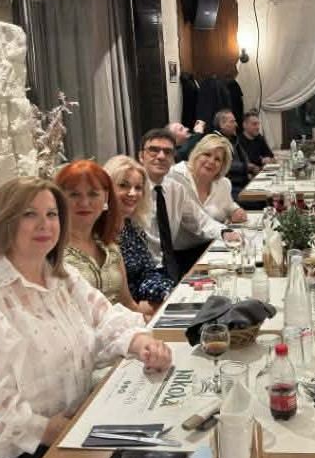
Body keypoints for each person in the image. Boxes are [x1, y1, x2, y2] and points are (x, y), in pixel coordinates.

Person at [0, 176, 171, 458]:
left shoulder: (62, 279)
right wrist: (50, 430)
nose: (44, 225)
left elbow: (105, 319)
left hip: (67, 436)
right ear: (3, 222)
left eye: (52, 214)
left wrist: (141, 342)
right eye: (29, 214)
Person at [137, 128, 239, 280]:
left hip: (171, 266)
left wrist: (225, 232)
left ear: (173, 158)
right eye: (154, 150)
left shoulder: (175, 189)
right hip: (143, 270)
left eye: (167, 152)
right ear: (141, 156)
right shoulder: (132, 191)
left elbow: (200, 221)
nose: (161, 156)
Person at [55, 160, 151, 317]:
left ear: (106, 197)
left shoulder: (110, 247)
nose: (84, 202)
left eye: (93, 194)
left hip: (122, 328)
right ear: (59, 199)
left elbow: (127, 304)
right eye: (74, 194)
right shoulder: (53, 251)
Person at [103, 155, 174, 307]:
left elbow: (147, 273)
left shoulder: (132, 228)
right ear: (106, 189)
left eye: (138, 188)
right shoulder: (99, 233)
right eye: (123, 185)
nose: (132, 193)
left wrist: (166, 292)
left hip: (140, 305)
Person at [170, 134, 248, 237]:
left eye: (217, 159)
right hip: (184, 246)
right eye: (207, 154)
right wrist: (225, 232)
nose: (211, 161)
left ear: (222, 166)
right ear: (196, 154)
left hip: (215, 241)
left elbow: (228, 205)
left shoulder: (223, 183)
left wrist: (235, 211)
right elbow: (198, 221)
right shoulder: (176, 177)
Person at [213, 109, 253, 197]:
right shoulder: (215, 141)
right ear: (222, 124)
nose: (236, 125)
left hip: (241, 183)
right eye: (232, 122)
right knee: (261, 201)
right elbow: (224, 164)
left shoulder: (232, 139)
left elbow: (245, 158)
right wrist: (246, 167)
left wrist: (248, 168)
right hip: (228, 188)